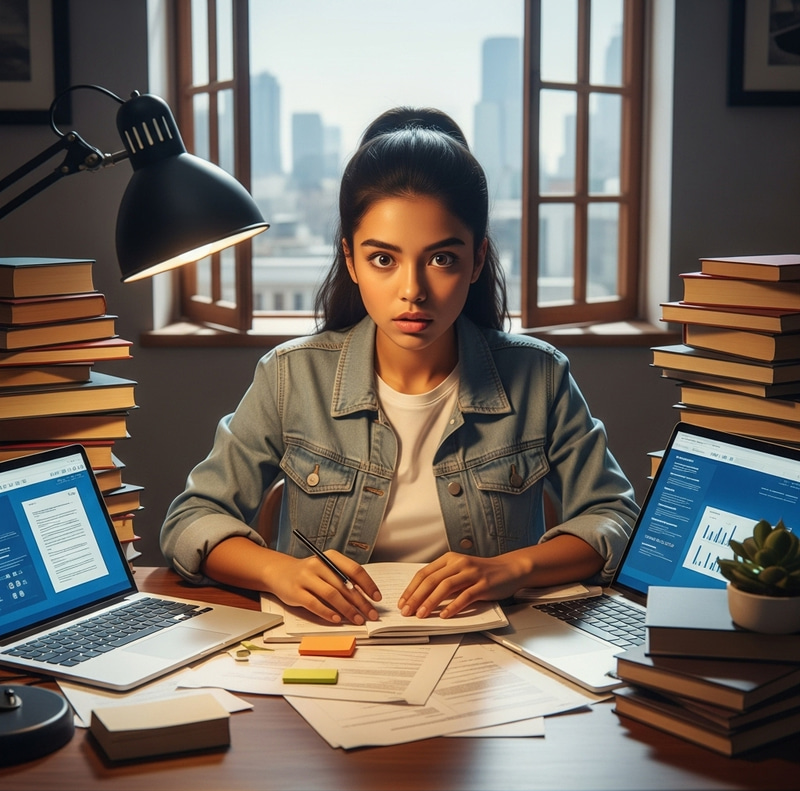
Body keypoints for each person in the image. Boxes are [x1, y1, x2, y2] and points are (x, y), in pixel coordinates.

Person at [160, 107, 639, 627]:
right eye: (383, 259)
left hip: (494, 652)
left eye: (441, 259)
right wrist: (280, 572)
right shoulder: (290, 376)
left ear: (477, 260)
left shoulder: (540, 377)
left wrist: (513, 568)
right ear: (350, 259)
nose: (413, 290)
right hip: (332, 648)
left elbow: (614, 518)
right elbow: (192, 520)